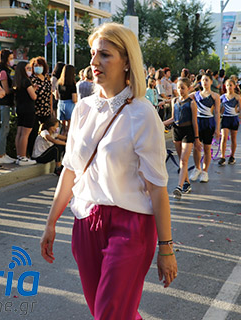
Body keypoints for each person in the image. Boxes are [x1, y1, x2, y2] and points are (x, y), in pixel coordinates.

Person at [40, 23, 177, 319]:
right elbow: (70, 170)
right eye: (93, 53)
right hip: (86, 223)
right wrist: (51, 222)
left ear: (127, 61)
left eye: (104, 54)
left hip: (131, 226)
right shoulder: (82, 109)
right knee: (107, 313)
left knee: (110, 314)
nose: (94, 61)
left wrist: (166, 247)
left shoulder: (143, 113)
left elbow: (157, 187)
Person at [164, 77, 201, 199]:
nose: (180, 90)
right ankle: (187, 183)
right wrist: (161, 123)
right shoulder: (174, 101)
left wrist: (196, 139)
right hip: (176, 131)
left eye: (183, 88)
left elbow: (194, 122)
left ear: (188, 88)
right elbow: (173, 118)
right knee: (181, 160)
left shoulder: (192, 103)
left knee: (184, 161)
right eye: (178, 88)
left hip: (188, 132)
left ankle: (179, 187)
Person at [189, 71, 221, 183]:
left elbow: (217, 113)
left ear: (211, 82)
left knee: (207, 148)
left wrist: (217, 129)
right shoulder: (195, 94)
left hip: (208, 122)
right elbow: (183, 96)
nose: (204, 82)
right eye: (202, 80)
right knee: (196, 146)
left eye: (206, 80)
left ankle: (205, 171)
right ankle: (197, 168)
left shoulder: (215, 96)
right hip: (197, 122)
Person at [0, 49, 16, 165]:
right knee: (3, 129)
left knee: (4, 129)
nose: (12, 61)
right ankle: (0, 154)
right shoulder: (3, 72)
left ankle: (2, 153)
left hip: (1, 104)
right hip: (3, 104)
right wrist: (16, 88)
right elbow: (6, 90)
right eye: (10, 58)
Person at [28, 56, 53, 157]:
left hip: (46, 108)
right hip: (35, 108)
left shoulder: (47, 78)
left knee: (47, 130)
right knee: (33, 132)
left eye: (40, 65)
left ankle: (45, 151)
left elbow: (50, 94)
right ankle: (31, 153)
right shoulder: (32, 79)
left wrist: (51, 107)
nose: (37, 67)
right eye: (35, 65)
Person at [14, 61, 37, 165]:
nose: (30, 71)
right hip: (28, 109)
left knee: (19, 133)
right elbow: (33, 96)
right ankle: (23, 157)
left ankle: (19, 155)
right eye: (28, 69)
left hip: (20, 109)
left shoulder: (17, 81)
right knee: (25, 134)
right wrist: (34, 90)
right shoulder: (26, 81)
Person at [219, 78, 241, 166]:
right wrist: (219, 115)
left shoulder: (237, 97)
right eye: (227, 85)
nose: (229, 87)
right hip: (225, 118)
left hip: (234, 118)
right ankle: (222, 156)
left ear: (234, 86)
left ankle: (232, 156)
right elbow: (218, 108)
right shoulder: (222, 97)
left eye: (231, 85)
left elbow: (240, 109)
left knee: (233, 138)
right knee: (224, 137)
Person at [56, 64, 77, 135]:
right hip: (69, 104)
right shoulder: (72, 84)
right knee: (69, 127)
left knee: (63, 126)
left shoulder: (59, 83)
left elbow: (56, 96)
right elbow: (74, 99)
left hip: (60, 103)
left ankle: (62, 136)